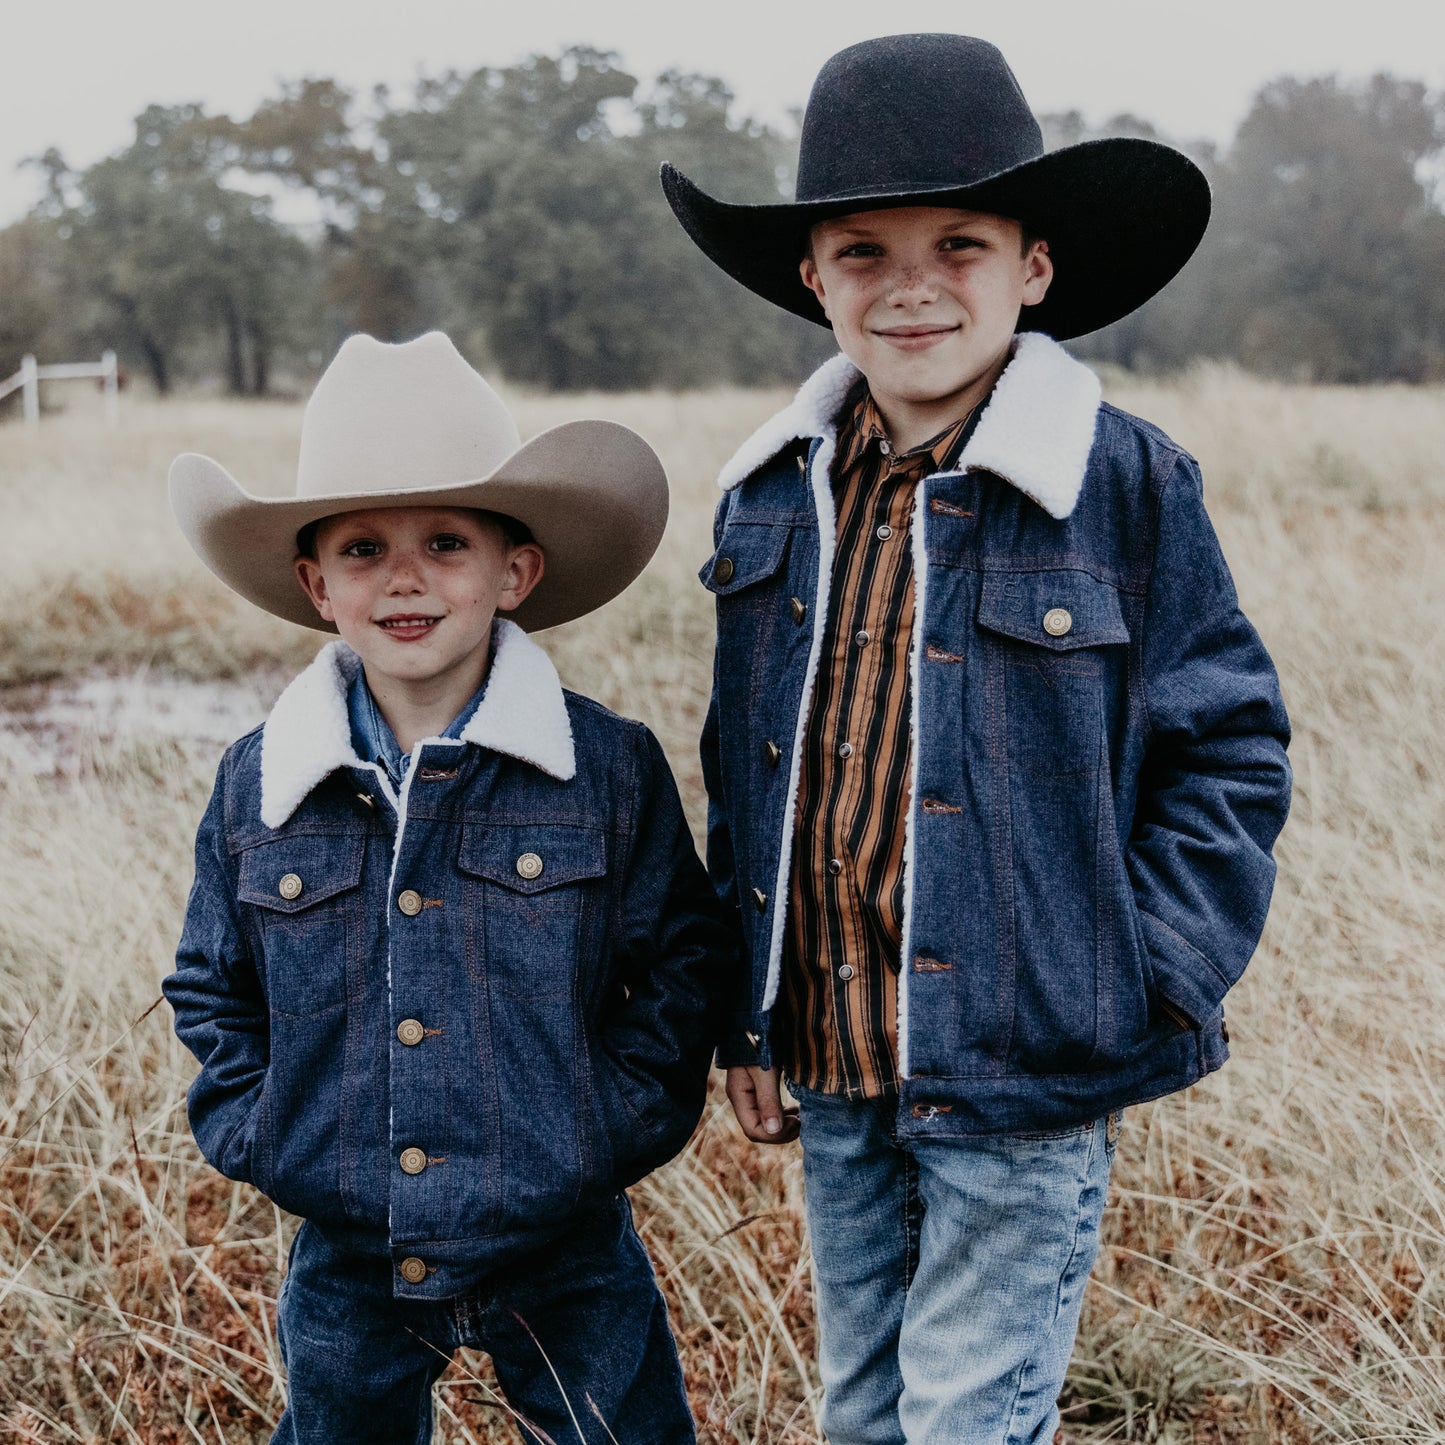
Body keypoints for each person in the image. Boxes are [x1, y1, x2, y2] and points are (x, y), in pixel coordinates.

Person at [662, 33, 1292, 1444]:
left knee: (966, 1418)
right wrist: (742, 1012)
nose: (913, 285)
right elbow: (744, 770)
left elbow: (1231, 749)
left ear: (1035, 268)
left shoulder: (1118, 483)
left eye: (960, 242)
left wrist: (1143, 975)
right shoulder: (768, 500)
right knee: (864, 1411)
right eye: (864, 250)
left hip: (1026, 1066)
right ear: (811, 277)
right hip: (830, 1057)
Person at [164, 331, 719, 1445]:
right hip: (348, 1237)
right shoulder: (261, 784)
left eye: (446, 541)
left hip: (562, 1234)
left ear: (515, 572)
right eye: (363, 547)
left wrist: (598, 1131)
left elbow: (677, 966)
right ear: (317, 585)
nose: (405, 575)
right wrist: (271, 1131)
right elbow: (212, 985)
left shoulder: (603, 770)